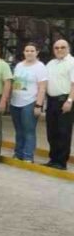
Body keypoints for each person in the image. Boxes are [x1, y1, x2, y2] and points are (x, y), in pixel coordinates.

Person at [10, 42, 47, 163]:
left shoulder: (40, 67)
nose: (29, 53)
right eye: (27, 51)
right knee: (19, 130)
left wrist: (38, 105)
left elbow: (42, 87)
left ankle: (28, 156)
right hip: (15, 102)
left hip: (30, 102)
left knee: (28, 131)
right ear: (24, 52)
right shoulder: (19, 65)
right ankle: (18, 153)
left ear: (37, 52)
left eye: (32, 51)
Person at [43, 39, 74, 170]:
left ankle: (61, 162)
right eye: (56, 48)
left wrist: (70, 101)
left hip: (64, 101)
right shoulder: (51, 63)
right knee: (52, 132)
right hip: (51, 101)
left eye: (62, 47)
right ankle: (53, 159)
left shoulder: (72, 62)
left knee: (63, 132)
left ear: (68, 48)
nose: (59, 50)